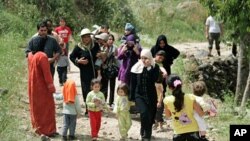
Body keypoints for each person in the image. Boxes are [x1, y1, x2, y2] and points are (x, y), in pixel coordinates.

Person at [27, 36, 58, 138]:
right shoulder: (42, 56)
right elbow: (47, 74)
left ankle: (37, 128)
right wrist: (51, 87)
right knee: (47, 108)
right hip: (42, 87)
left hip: (33, 86)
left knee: (36, 108)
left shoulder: (31, 55)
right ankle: (48, 130)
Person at [163, 74, 205, 141]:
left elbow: (168, 115)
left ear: (169, 87)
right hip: (193, 132)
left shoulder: (167, 100)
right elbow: (201, 113)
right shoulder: (191, 97)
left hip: (178, 133)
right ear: (181, 84)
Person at [130, 49, 160, 140]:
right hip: (139, 95)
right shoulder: (136, 67)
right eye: (142, 58)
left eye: (145, 58)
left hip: (151, 95)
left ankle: (145, 132)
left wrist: (149, 67)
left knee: (150, 116)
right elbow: (133, 83)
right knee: (144, 113)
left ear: (150, 58)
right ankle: (145, 136)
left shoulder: (155, 67)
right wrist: (131, 97)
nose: (143, 60)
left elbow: (154, 79)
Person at [69, 28, 100, 115]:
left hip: (95, 71)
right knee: (86, 90)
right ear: (81, 38)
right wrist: (78, 61)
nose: (86, 39)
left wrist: (101, 55)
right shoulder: (78, 47)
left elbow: (100, 54)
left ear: (90, 37)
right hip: (85, 72)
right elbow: (71, 57)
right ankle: (88, 109)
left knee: (96, 89)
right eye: (84, 37)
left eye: (88, 36)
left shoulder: (95, 45)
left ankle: (96, 107)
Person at [100, 34, 119, 107]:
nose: (110, 41)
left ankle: (111, 102)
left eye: (112, 39)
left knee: (112, 86)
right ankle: (104, 101)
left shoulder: (115, 48)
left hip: (112, 69)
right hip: (104, 69)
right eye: (109, 39)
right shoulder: (103, 47)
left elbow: (117, 58)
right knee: (104, 86)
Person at [153, 50, 168, 132]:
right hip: (153, 93)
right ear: (156, 55)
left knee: (159, 110)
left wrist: (159, 101)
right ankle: (156, 124)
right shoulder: (151, 61)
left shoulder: (159, 84)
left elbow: (161, 68)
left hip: (158, 95)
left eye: (162, 58)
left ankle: (160, 125)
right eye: (159, 57)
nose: (160, 59)